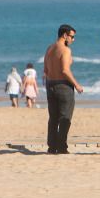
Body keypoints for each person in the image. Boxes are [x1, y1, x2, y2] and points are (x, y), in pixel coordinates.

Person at [43, 24, 84, 154]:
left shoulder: (49, 49)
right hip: (63, 86)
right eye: (72, 37)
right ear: (65, 35)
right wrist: (77, 85)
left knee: (53, 117)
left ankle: (52, 146)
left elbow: (46, 70)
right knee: (65, 118)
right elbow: (65, 70)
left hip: (50, 85)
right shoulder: (65, 51)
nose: (73, 40)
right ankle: (62, 147)